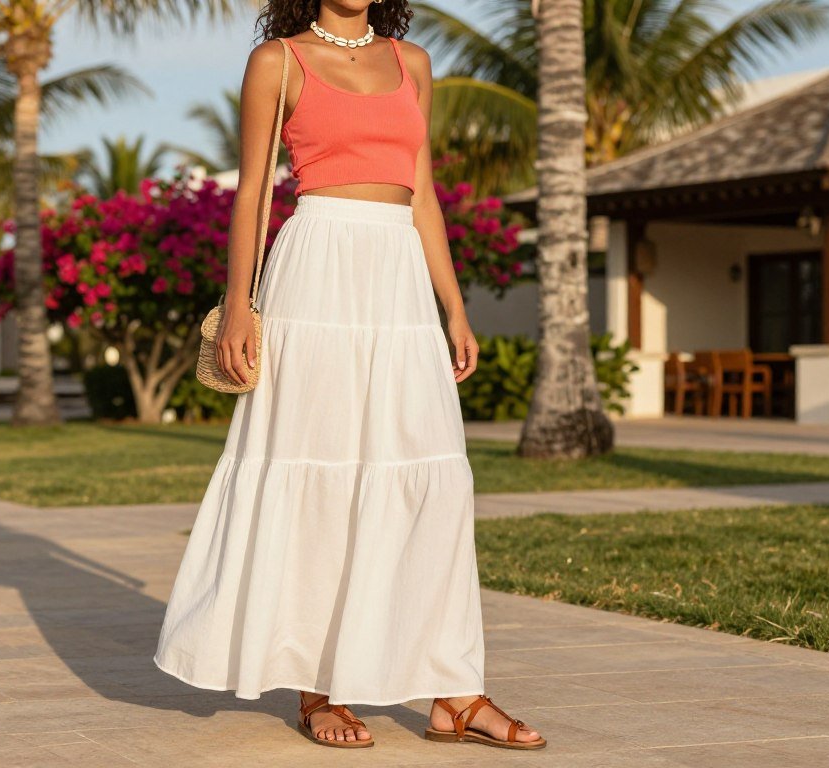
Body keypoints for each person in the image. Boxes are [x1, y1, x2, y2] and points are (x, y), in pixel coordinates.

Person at [154, 0, 545, 751]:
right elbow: (253, 191)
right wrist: (239, 305)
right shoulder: (279, 61)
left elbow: (422, 191)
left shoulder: (414, 62)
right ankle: (317, 690)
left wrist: (454, 308)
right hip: (316, 272)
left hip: (397, 275)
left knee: (431, 480)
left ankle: (454, 691)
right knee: (323, 475)